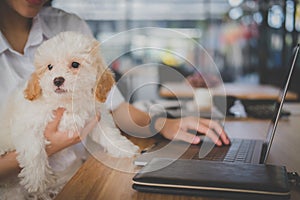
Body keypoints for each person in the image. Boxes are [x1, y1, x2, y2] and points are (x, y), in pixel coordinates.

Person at [0, 0, 230, 198]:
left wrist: (163, 123)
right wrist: (48, 147)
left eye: (74, 66)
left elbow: (114, 106)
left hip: (79, 177)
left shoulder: (68, 25)